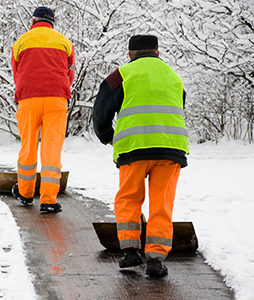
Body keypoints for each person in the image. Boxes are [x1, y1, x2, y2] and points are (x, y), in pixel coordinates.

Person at [93, 35, 189, 277]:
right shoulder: (173, 76)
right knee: (161, 203)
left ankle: (131, 250)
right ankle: (156, 258)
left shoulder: (122, 74)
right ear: (157, 52)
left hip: (134, 148)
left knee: (129, 198)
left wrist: (106, 135)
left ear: (130, 54)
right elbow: (179, 105)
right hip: (170, 148)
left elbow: (101, 111)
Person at [10, 6, 75, 213]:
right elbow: (70, 74)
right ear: (53, 22)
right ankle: (48, 199)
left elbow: (17, 72)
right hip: (57, 99)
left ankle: (26, 193)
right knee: (52, 148)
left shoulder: (21, 42)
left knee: (28, 145)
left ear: (33, 21)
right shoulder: (65, 42)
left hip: (29, 99)